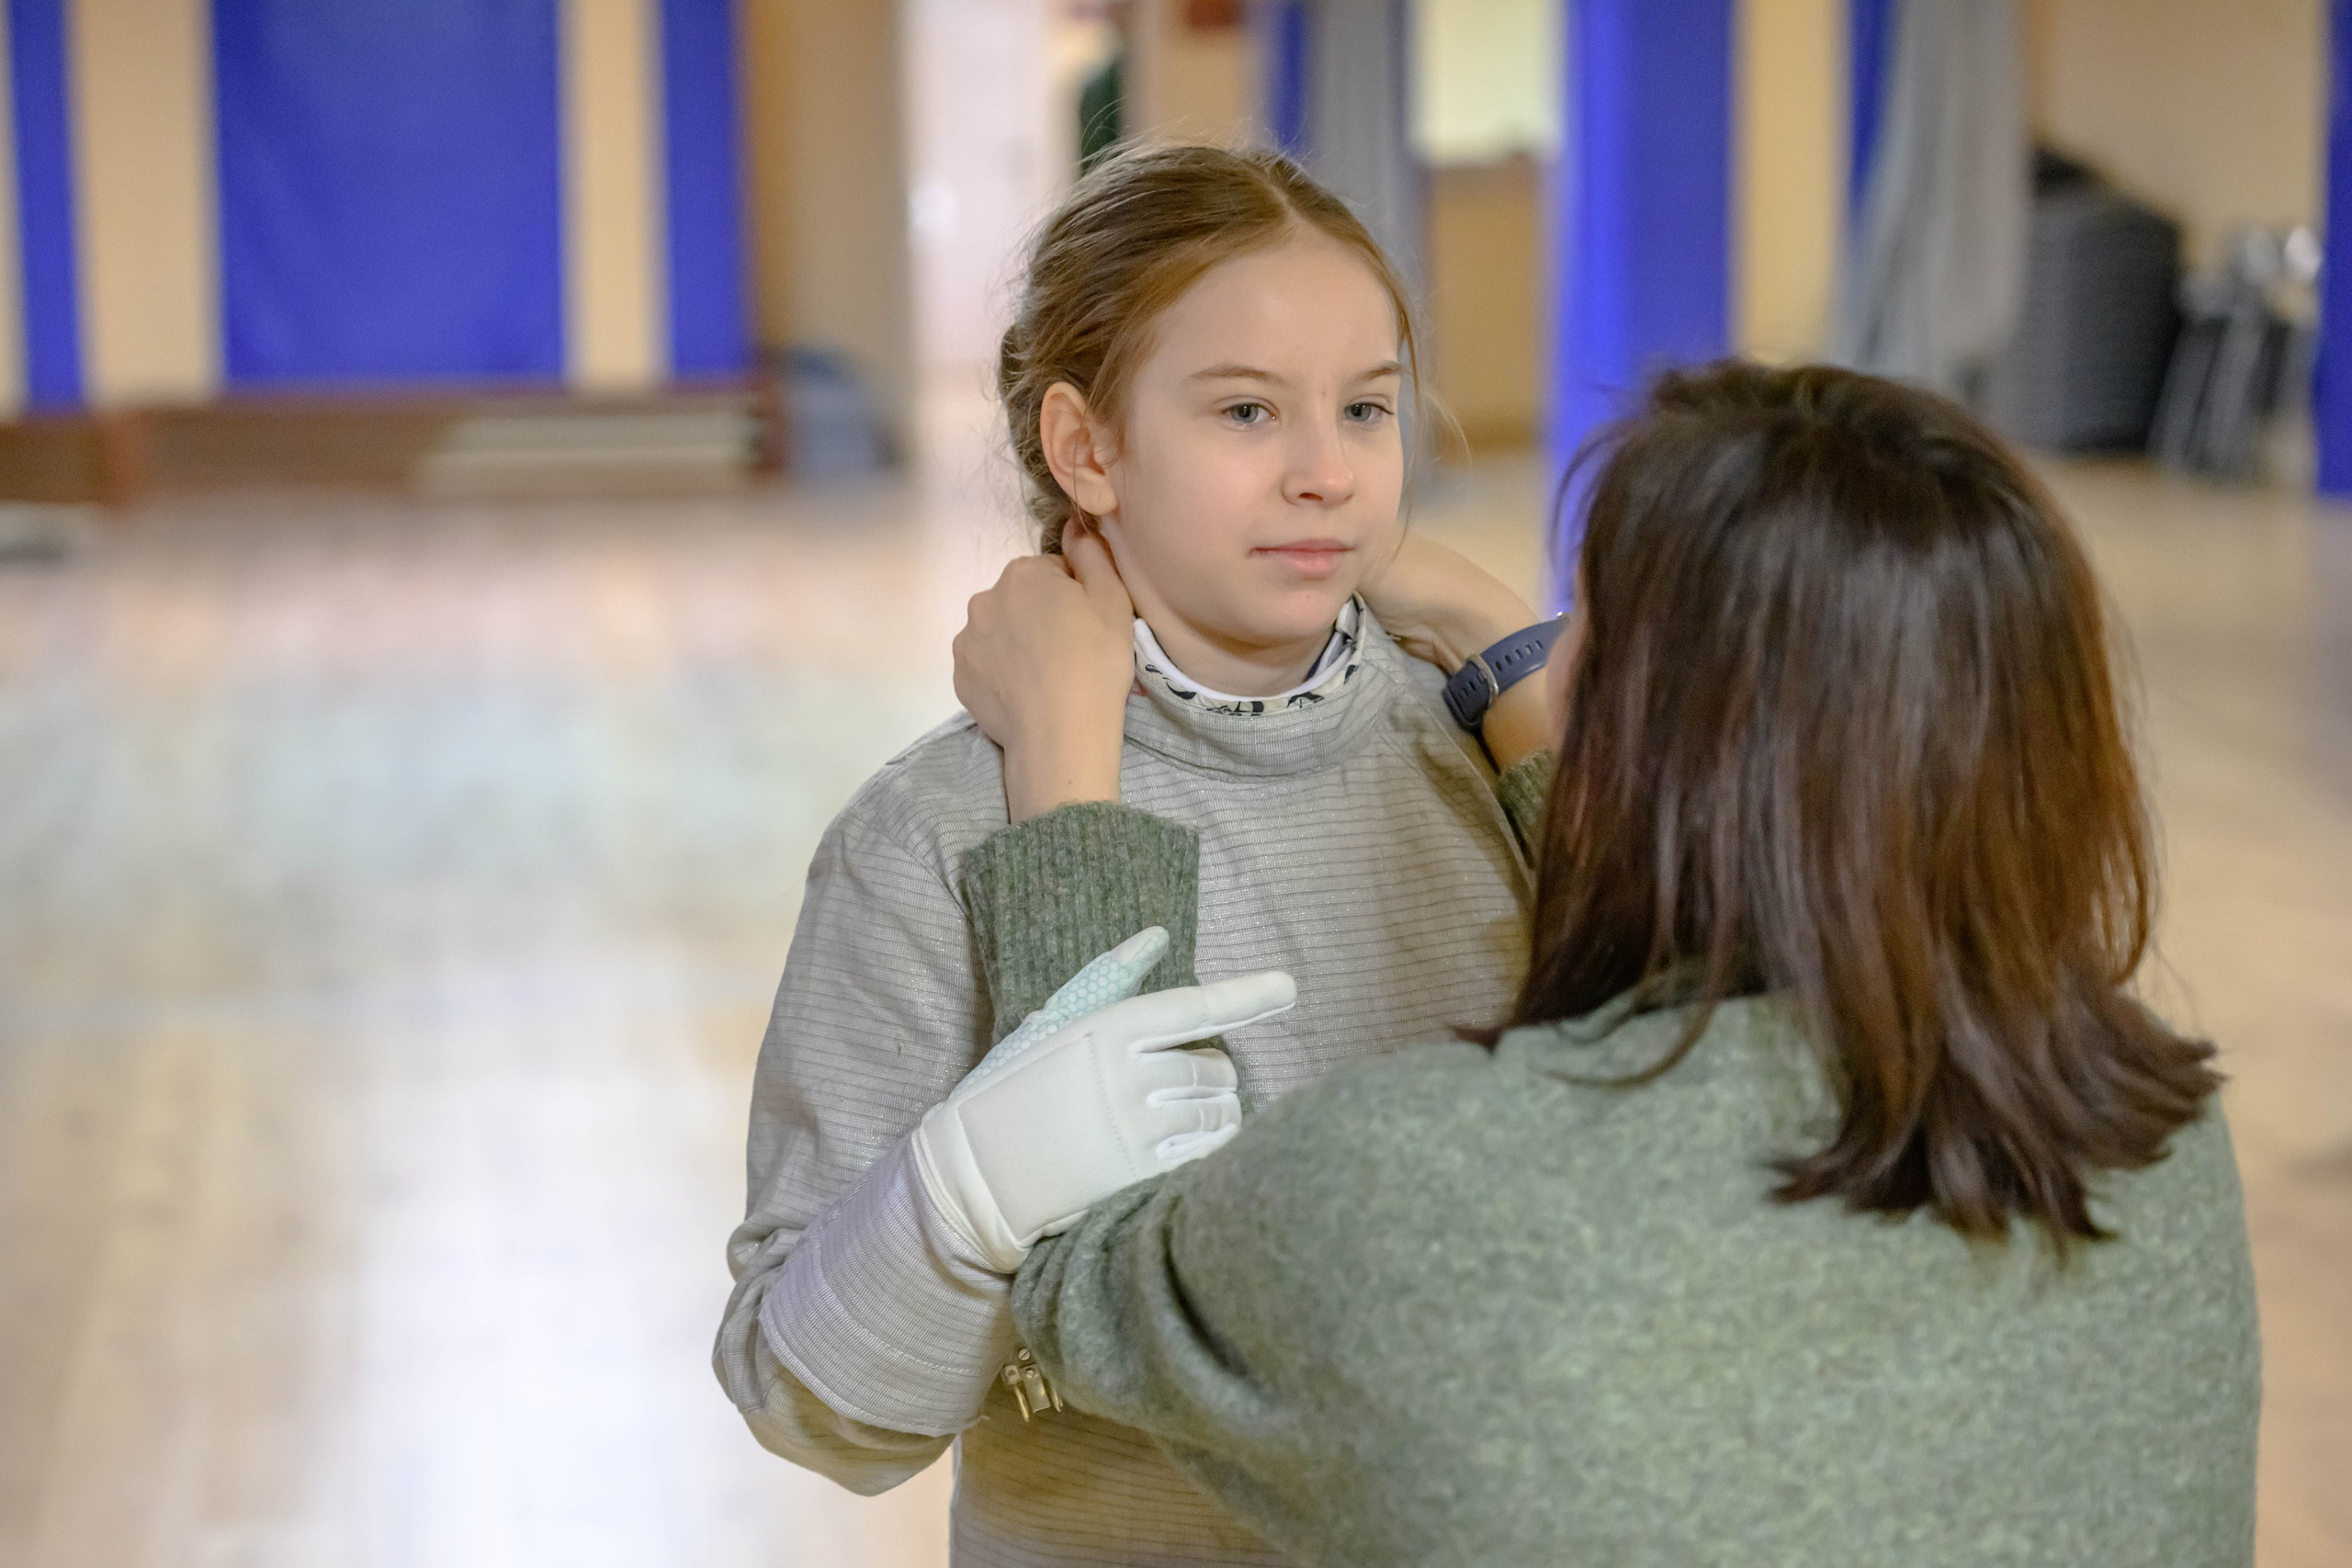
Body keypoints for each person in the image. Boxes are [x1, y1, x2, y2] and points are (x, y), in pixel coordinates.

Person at [936, 363, 2262, 1566]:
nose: (1556, 657)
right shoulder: (2157, 1136)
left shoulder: (1427, 1188)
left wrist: (1064, 760)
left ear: (1658, 741)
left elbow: (1093, 1268)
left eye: (1593, 625)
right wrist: (1486, 626)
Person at [715, 144, 1566, 1564]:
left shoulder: (1494, 754)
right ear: (1086, 449)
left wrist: (1502, 643)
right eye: (1247, 410)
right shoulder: (930, 834)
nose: (1327, 473)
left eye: (1366, 408)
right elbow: (817, 1405)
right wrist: (961, 1207)